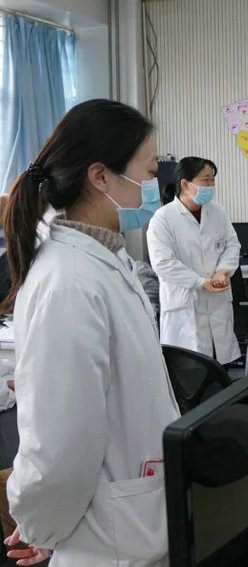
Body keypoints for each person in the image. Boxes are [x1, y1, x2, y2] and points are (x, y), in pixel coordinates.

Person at [1, 99, 181, 566]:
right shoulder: (69, 281)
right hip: (105, 538)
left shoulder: (109, 260)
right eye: (149, 172)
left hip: (129, 517)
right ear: (101, 176)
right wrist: (43, 526)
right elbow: (59, 446)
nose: (154, 186)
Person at [147, 157, 242, 364]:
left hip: (218, 307)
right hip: (185, 312)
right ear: (185, 184)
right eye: (206, 180)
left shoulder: (217, 211)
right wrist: (201, 282)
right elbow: (163, 263)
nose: (211, 185)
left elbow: (232, 245)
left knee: (221, 369)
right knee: (192, 371)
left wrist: (223, 270)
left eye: (213, 180)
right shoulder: (163, 219)